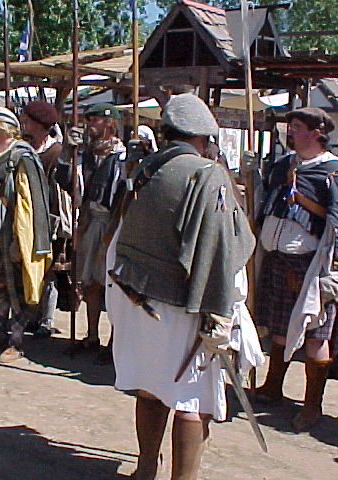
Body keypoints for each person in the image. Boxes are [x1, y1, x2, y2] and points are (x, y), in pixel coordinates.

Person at [107, 94, 257, 480]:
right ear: (205, 138)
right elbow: (220, 248)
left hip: (137, 297)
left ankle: (144, 469)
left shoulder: (145, 169)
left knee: (150, 387)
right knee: (195, 400)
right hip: (187, 302)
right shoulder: (206, 175)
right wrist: (220, 312)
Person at [255, 107, 338, 432]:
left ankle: (312, 406)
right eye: (290, 126)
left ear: (317, 132)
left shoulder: (331, 172)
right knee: (278, 327)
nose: (291, 132)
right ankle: (273, 386)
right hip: (277, 259)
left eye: (298, 127)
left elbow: (334, 223)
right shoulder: (283, 166)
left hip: (312, 265)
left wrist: (299, 197)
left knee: (316, 333)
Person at [0, 107, 52, 363]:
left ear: (0, 128)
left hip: (13, 233)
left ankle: (16, 342)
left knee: (16, 287)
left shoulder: (21, 157)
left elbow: (31, 202)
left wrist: (23, 240)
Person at [57, 103, 126, 356]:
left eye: (95, 120)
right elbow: (64, 181)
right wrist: (67, 151)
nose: (90, 125)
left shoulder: (122, 156)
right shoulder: (84, 155)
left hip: (114, 225)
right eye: (89, 120)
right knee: (90, 283)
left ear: (109, 123)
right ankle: (92, 335)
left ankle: (115, 341)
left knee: (113, 285)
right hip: (89, 221)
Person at [21, 101, 65, 337]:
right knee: (28, 267)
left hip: (50, 219)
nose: (24, 123)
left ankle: (46, 320)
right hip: (26, 217)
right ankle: (30, 315)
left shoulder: (57, 153)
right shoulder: (24, 149)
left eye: (28, 120)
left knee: (49, 270)